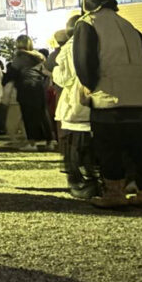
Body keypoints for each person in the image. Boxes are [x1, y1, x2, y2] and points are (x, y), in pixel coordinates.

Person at [73, 0, 142, 209]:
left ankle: (115, 193)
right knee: (140, 147)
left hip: (107, 98)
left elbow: (84, 63)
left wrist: (91, 86)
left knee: (108, 147)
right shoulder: (129, 26)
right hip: (137, 98)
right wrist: (136, 83)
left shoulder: (88, 23)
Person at [52, 18, 100, 199]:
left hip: (77, 104)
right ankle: (104, 182)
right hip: (100, 102)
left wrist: (54, 73)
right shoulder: (100, 41)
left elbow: (64, 78)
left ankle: (86, 185)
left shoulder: (70, 48)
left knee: (77, 147)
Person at [3, 36, 52, 149]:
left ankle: (32, 143)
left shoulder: (20, 57)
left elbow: (12, 74)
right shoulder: (39, 57)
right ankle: (50, 141)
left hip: (25, 88)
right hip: (39, 88)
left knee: (28, 117)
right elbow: (44, 72)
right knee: (43, 115)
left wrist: (6, 80)